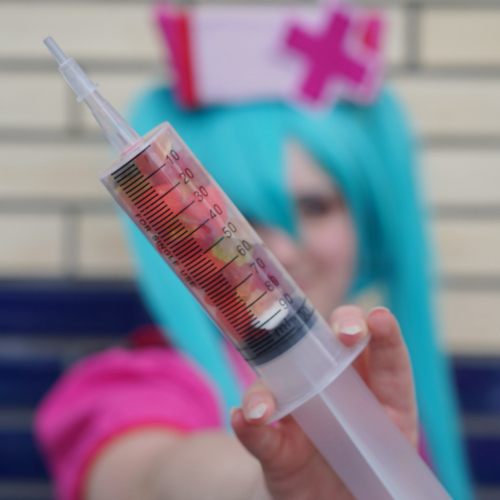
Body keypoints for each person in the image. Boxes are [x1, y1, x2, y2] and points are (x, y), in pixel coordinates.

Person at [34, 3, 473, 500]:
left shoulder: (384, 393)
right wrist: (266, 487)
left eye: (315, 206)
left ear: (365, 215)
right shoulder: (145, 385)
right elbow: (154, 474)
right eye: (238, 218)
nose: (279, 249)